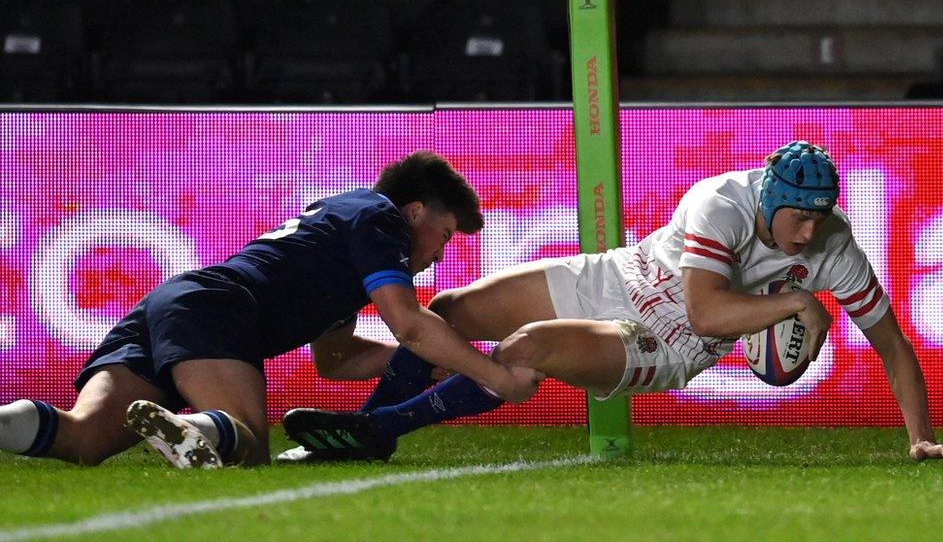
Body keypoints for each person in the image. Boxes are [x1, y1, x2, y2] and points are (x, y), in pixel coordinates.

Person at [280, 141, 943, 464]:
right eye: (800, 217)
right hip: (617, 274)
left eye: (823, 216)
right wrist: (799, 307)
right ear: (769, 199)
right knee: (451, 310)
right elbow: (713, 299)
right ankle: (358, 437)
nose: (811, 231)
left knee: (528, 351)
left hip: (668, 341)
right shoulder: (720, 202)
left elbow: (891, 346)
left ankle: (382, 432)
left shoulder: (835, 248)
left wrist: (920, 436)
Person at [0, 151, 539, 468]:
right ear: (415, 210)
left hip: (172, 307)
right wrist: (495, 376)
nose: (440, 254)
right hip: (216, 312)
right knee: (249, 443)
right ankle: (203, 427)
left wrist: (431, 362)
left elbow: (336, 360)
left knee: (86, 438)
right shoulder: (379, 217)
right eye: (443, 236)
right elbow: (411, 323)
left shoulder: (341, 241)